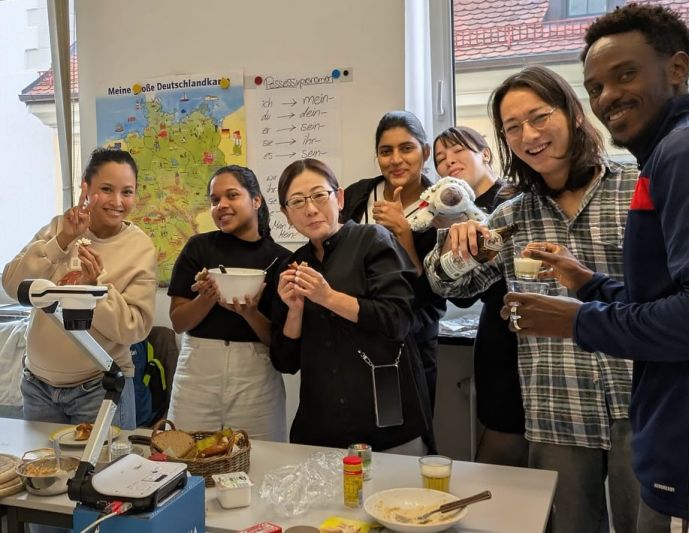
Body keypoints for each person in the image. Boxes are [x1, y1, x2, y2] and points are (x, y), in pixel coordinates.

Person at [506, 5, 689, 531]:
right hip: (679, 445)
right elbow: (677, 294)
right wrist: (589, 284)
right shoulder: (671, 152)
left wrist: (576, 319)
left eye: (625, 75)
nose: (608, 97)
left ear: (677, 68)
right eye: (596, 87)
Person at [424, 66, 639, 533]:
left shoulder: (636, 188)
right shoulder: (512, 215)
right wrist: (455, 247)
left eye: (539, 117)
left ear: (574, 114)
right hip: (556, 404)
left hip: (639, 401)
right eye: (513, 127)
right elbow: (448, 285)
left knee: (646, 524)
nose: (529, 135)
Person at [271, 158, 431, 454]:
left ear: (340, 198)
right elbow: (285, 362)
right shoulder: (292, 265)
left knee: (397, 483)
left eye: (319, 195)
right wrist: (295, 310)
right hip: (322, 424)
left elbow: (397, 320)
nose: (310, 209)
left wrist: (328, 297)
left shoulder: (373, 240)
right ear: (286, 213)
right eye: (297, 201)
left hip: (385, 419)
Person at [2, 147, 156, 431]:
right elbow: (12, 284)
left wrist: (93, 290)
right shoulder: (60, 227)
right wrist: (61, 241)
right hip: (37, 386)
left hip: (99, 388)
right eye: (106, 189)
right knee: (42, 461)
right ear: (86, 188)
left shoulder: (140, 247)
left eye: (127, 192)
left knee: (101, 462)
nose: (117, 201)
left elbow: (135, 329)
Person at [167, 165, 289, 441]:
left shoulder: (279, 259)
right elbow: (178, 322)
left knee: (260, 455)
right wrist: (207, 297)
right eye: (214, 200)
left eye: (232, 195)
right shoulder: (198, 248)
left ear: (256, 200)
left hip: (255, 374)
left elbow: (279, 340)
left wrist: (250, 313)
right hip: (197, 371)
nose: (221, 205)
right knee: (185, 452)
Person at [432, 126, 527, 467]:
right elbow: (460, 298)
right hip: (498, 336)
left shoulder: (518, 197)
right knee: (500, 437)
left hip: (538, 326)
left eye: (457, 150)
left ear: (485, 153)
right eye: (440, 159)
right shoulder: (450, 212)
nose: (448, 162)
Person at [341, 111, 446, 413]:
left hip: (409, 344)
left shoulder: (442, 209)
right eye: (386, 151)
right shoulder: (358, 195)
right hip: (353, 335)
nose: (396, 159)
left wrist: (403, 233)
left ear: (425, 152)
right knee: (355, 424)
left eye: (406, 148)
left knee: (401, 426)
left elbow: (433, 293)